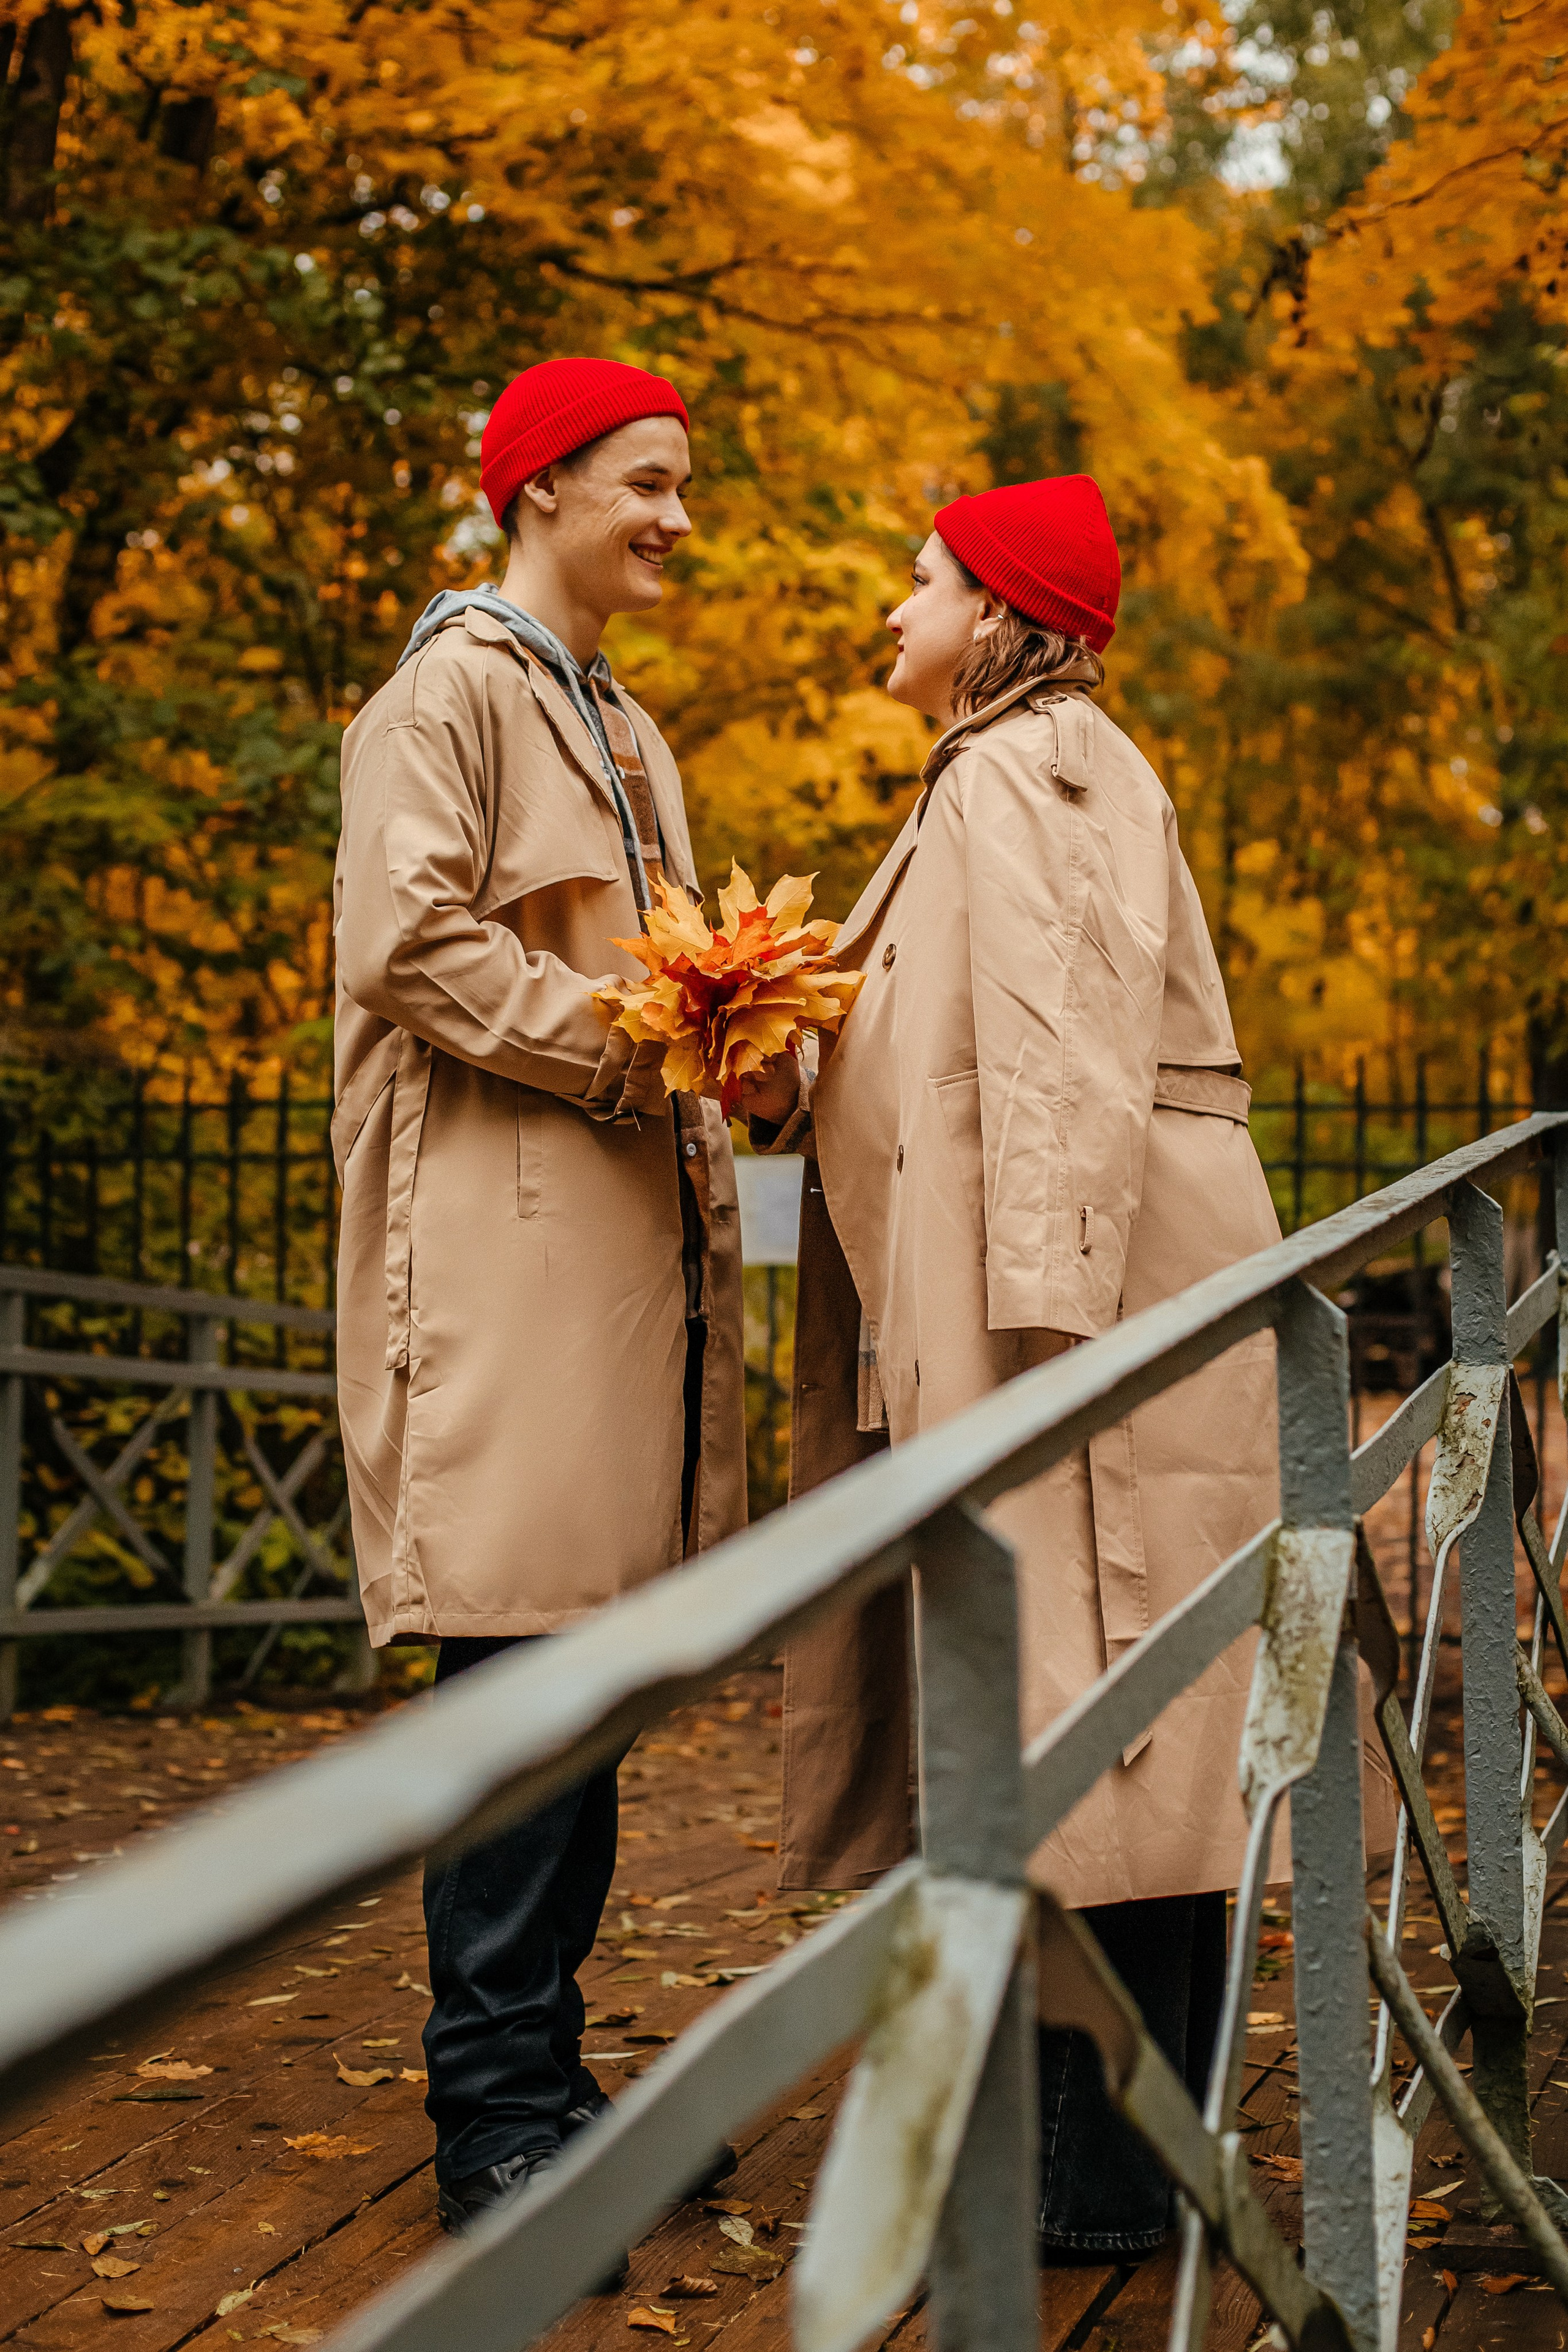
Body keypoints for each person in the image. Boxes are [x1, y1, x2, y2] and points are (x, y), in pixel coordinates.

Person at [743, 475, 1380, 2256]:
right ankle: (1109, 2164)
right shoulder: (1004, 776)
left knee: (1099, 1726)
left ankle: (1096, 2188)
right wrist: (788, 1075)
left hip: (1064, 1339)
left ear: (1002, 616)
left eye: (923, 578)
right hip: (1049, 1323)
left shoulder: (1044, 770)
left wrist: (1049, 1343)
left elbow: (1058, 1055)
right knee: (1112, 1728)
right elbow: (960, 1043)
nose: (892, 605)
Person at [332, 356, 747, 2243]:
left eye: (682, 484)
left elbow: (678, 989)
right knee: (515, 1667)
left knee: (584, 1678)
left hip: (630, 1276)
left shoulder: (631, 733)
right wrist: (633, 1046)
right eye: (646, 480)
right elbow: (410, 943)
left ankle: (553, 2080)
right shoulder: (448, 697)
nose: (676, 515)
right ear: (542, 488)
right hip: (505, 1272)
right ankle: (496, 2112)